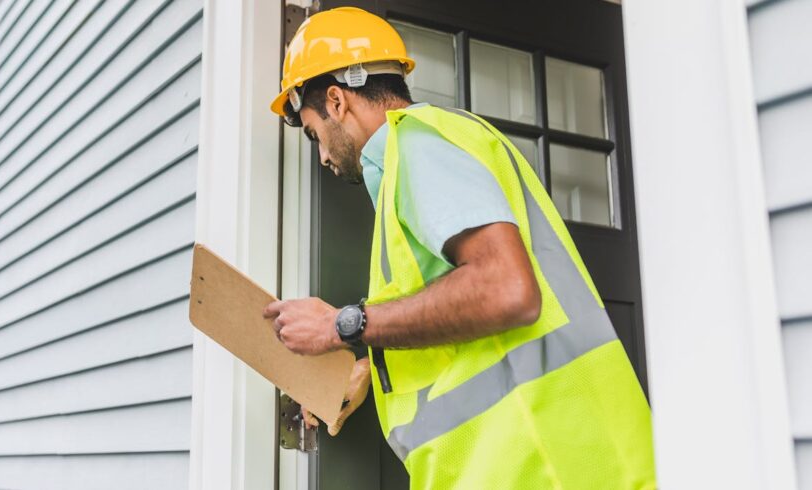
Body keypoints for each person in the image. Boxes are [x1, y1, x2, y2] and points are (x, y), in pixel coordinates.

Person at [262, 6, 656, 489]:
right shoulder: (431, 152)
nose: (322, 155)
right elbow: (462, 315)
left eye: (314, 134)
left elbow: (507, 290)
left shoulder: (419, 146)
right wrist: (371, 367)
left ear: (338, 101)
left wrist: (341, 325)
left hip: (545, 466)